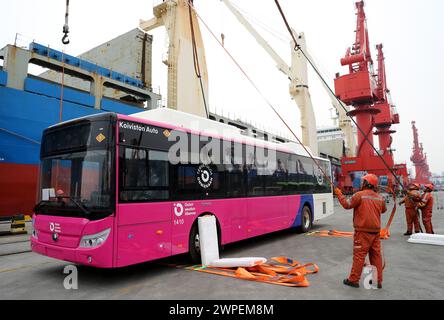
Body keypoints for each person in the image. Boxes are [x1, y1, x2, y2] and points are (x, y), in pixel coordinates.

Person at [334, 174, 387, 289]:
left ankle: (353, 280)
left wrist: (338, 193)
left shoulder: (359, 195)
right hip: (375, 233)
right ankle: (377, 281)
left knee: (359, 256)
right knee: (376, 256)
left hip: (362, 232)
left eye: (363, 181)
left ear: (366, 183)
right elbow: (383, 210)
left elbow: (347, 205)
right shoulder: (379, 197)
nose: (361, 183)